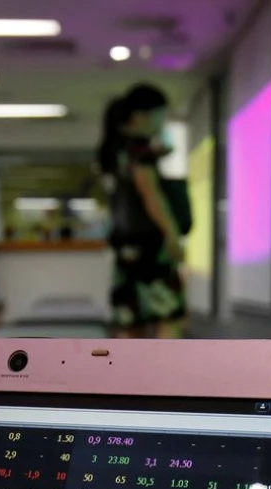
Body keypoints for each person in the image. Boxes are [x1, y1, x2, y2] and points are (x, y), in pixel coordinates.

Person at [99, 84, 187, 338]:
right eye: (161, 115)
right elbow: (150, 194)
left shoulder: (114, 150)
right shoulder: (139, 150)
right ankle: (164, 366)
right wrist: (172, 234)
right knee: (169, 317)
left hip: (126, 248)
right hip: (151, 247)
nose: (162, 122)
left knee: (130, 320)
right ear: (142, 116)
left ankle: (132, 367)